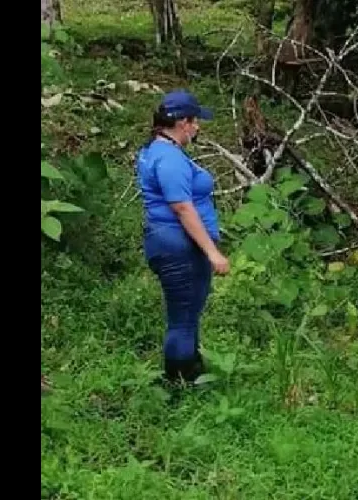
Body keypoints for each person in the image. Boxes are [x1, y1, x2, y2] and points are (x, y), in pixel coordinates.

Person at [135, 89, 230, 384]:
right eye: (195, 121)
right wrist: (213, 253)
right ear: (181, 123)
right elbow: (181, 207)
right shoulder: (169, 158)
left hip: (169, 242)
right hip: (178, 245)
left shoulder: (157, 151)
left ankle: (191, 372)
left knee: (187, 315)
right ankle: (180, 384)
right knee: (183, 319)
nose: (197, 127)